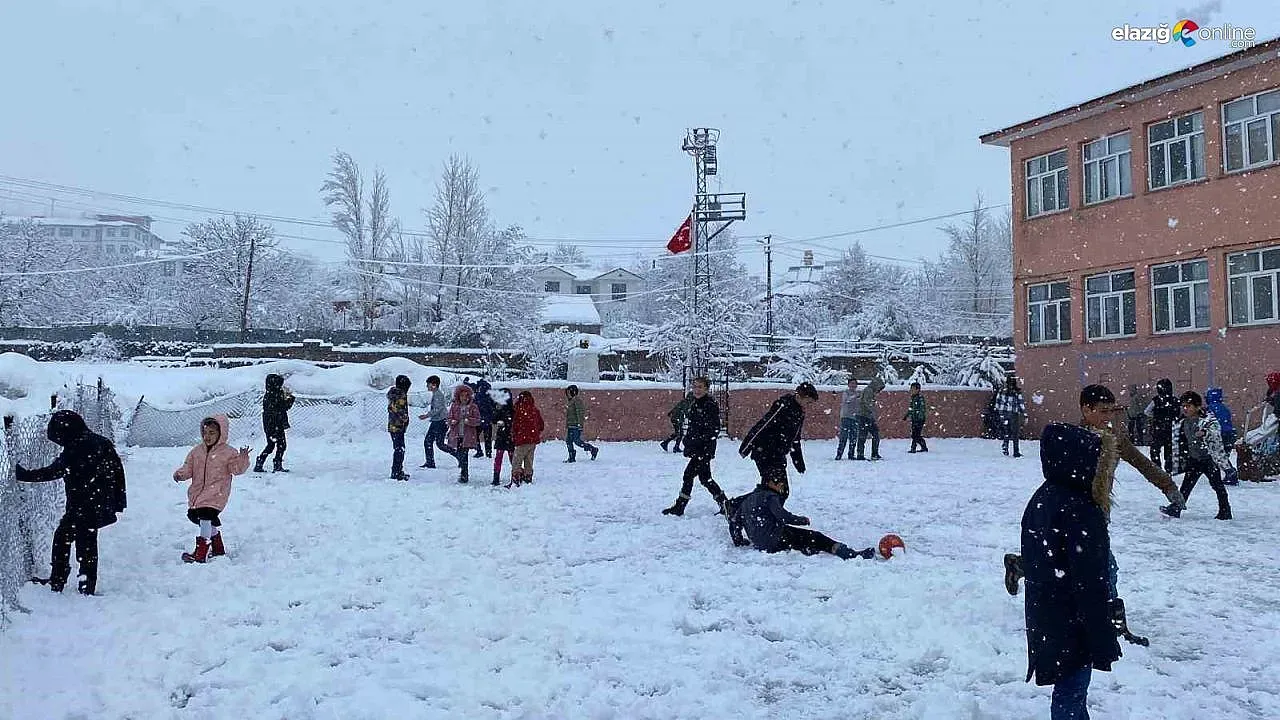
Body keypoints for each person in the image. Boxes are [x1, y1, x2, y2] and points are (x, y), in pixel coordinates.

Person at [1004, 384, 1185, 600]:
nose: (1108, 417)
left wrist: (1168, 486)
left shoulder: (1114, 437)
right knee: (1104, 568)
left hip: (1097, 512)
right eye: (1103, 411)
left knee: (1067, 560)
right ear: (1086, 409)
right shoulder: (1073, 438)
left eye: (1111, 411)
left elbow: (1142, 462)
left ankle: (1022, 565)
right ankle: (1111, 615)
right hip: (1073, 513)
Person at [1020, 421, 1123, 720]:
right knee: (1071, 693)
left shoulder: (1043, 498)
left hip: (1049, 615)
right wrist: (1102, 634)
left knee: (1069, 691)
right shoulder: (1080, 509)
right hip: (1073, 620)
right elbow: (1090, 582)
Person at [15, 410, 126, 595]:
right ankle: (84, 583)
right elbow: (117, 472)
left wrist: (25, 475)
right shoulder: (96, 441)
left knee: (65, 538)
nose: (59, 443)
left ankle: (61, 581)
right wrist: (114, 500)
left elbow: (55, 471)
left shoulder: (78, 446)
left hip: (85, 502)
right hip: (97, 500)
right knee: (85, 540)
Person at [725, 474, 874, 559]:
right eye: (780, 483)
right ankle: (849, 554)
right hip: (773, 539)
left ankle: (807, 548)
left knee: (797, 537)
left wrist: (739, 541)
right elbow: (783, 516)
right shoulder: (770, 496)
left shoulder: (748, 499)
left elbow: (734, 523)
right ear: (771, 483)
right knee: (815, 536)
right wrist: (801, 520)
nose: (782, 486)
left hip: (760, 541)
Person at [172, 415, 251, 563]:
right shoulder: (196, 452)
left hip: (216, 494)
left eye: (212, 433)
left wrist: (242, 458)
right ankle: (218, 547)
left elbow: (237, 469)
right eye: (205, 432)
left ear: (221, 433)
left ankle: (200, 553)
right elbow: (188, 467)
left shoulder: (228, 453)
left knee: (205, 517)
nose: (207, 436)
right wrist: (181, 474)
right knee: (198, 517)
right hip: (198, 493)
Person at [738, 382, 818, 503]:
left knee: (775, 490)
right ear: (801, 396)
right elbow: (763, 424)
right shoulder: (783, 405)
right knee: (776, 490)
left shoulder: (800, 412)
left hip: (778, 455)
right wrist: (746, 447)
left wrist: (798, 461)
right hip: (764, 452)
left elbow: (795, 438)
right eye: (809, 402)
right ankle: (761, 515)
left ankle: (735, 505)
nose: (809, 405)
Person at [662, 377, 728, 516]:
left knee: (688, 475)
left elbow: (714, 429)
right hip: (697, 448)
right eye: (695, 387)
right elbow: (694, 427)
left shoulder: (709, 405)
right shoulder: (696, 403)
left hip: (703, 449)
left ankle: (680, 507)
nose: (696, 390)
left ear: (706, 389)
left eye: (700, 387)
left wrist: (697, 442)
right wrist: (688, 440)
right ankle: (726, 505)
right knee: (705, 478)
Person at [1160, 391, 1232, 520]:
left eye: (1189, 406)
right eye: (1184, 406)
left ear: (1198, 407)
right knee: (1186, 485)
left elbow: (1215, 431)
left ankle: (1225, 510)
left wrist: (1205, 433)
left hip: (1209, 458)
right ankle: (1176, 508)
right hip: (1194, 459)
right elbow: (1179, 440)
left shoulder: (1206, 420)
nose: (1185, 409)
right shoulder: (1182, 421)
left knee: (1217, 485)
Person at [254, 373, 295, 473]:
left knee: (272, 445)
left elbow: (281, 407)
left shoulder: (272, 394)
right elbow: (283, 407)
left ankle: (261, 463)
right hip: (274, 423)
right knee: (280, 445)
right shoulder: (273, 395)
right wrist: (290, 398)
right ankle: (276, 464)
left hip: (272, 423)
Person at [446, 384, 482, 484]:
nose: (464, 398)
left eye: (466, 396)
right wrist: (452, 422)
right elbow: (449, 418)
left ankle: (464, 474)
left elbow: (478, 420)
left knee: (464, 454)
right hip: (457, 435)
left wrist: (469, 421)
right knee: (460, 453)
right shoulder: (454, 406)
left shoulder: (473, 406)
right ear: (458, 396)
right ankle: (463, 470)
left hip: (468, 435)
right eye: (462, 396)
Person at [418, 375, 455, 469]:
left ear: (434, 385)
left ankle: (430, 462)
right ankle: (458, 455)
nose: (427, 386)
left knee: (430, 442)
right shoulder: (436, 394)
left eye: (428, 384)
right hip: (439, 421)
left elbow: (437, 409)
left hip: (440, 422)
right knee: (438, 443)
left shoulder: (438, 394)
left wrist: (426, 415)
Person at [1144, 378, 1179, 473]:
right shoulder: (1175, 400)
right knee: (1169, 450)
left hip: (1158, 428)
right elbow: (1178, 415)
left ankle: (1157, 468)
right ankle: (1169, 468)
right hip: (1170, 429)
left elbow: (1147, 411)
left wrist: (1156, 416)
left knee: (1155, 449)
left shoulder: (1156, 400)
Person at [1205, 387, 1239, 485]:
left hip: (1220, 434)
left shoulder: (1211, 408)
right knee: (1223, 454)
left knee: (1218, 455)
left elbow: (1209, 422)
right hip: (1230, 434)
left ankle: (1230, 472)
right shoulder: (1224, 407)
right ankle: (1229, 472)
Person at [511, 390, 545, 486]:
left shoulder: (519, 410)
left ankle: (516, 477)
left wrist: (514, 435)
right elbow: (541, 425)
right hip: (533, 440)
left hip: (522, 439)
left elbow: (515, 425)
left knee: (517, 460)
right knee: (529, 460)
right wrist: (535, 431)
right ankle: (528, 476)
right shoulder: (535, 410)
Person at [563, 385, 599, 462]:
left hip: (576, 425)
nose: (567, 394)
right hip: (571, 425)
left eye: (569, 392)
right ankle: (571, 457)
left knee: (577, 441)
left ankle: (593, 449)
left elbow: (580, 413)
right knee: (569, 441)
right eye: (567, 392)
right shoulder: (571, 401)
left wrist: (580, 424)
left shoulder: (577, 400)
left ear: (574, 392)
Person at [853, 376, 886, 460]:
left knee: (865, 435)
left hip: (864, 416)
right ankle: (866, 454)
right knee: (868, 435)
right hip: (864, 416)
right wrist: (872, 411)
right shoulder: (869, 390)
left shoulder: (869, 390)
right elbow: (867, 403)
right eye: (880, 388)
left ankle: (864, 454)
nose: (879, 391)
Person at [994, 376, 1027, 457]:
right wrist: (1024, 414)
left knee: (1006, 432)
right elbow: (1021, 403)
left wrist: (999, 412)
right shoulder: (1016, 392)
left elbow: (997, 402)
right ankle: (1016, 451)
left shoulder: (1002, 391)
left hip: (1003, 414)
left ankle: (1005, 447)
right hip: (1013, 414)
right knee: (1015, 433)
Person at [387, 374, 412, 481]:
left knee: (398, 449)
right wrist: (405, 418)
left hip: (392, 425)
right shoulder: (401, 395)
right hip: (398, 426)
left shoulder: (394, 394)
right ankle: (396, 472)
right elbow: (398, 409)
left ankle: (397, 470)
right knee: (400, 450)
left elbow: (392, 408)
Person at [491, 388, 514, 486]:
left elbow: (513, 421)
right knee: (499, 457)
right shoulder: (500, 408)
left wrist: (506, 423)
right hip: (503, 435)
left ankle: (515, 475)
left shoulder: (512, 409)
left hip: (509, 435)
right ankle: (496, 477)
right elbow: (494, 420)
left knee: (512, 458)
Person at [834, 377, 859, 460]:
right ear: (848, 385)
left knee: (853, 438)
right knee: (843, 437)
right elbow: (847, 400)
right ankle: (839, 454)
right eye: (851, 383)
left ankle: (851, 454)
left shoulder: (858, 394)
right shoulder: (846, 393)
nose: (853, 385)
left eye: (855, 384)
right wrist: (855, 396)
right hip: (846, 417)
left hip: (855, 418)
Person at [473, 376, 496, 459]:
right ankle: (488, 453)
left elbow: (474, 407)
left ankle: (479, 451)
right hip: (487, 419)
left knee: (475, 436)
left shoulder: (478, 396)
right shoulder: (490, 396)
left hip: (479, 419)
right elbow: (493, 407)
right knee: (488, 438)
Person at [904, 381, 929, 453]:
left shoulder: (920, 398)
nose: (911, 390)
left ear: (918, 390)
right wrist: (907, 415)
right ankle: (923, 447)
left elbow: (922, 409)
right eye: (911, 389)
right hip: (914, 419)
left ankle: (913, 448)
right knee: (915, 435)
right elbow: (911, 408)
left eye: (913, 389)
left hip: (919, 420)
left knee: (915, 435)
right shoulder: (913, 398)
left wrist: (919, 418)